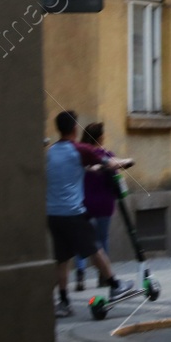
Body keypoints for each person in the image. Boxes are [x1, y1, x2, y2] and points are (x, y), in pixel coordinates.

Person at [46, 111, 122, 318]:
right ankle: (115, 285)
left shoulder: (51, 152)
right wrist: (125, 162)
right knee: (95, 249)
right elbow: (108, 163)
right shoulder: (79, 149)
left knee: (62, 259)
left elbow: (70, 172)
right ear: (74, 129)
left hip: (53, 213)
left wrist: (89, 171)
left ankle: (63, 302)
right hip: (73, 212)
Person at [74, 121, 135, 291]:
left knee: (83, 240)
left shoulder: (82, 156)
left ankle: (80, 274)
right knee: (102, 239)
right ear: (101, 137)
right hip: (105, 203)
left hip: (85, 202)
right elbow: (115, 175)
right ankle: (103, 276)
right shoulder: (107, 155)